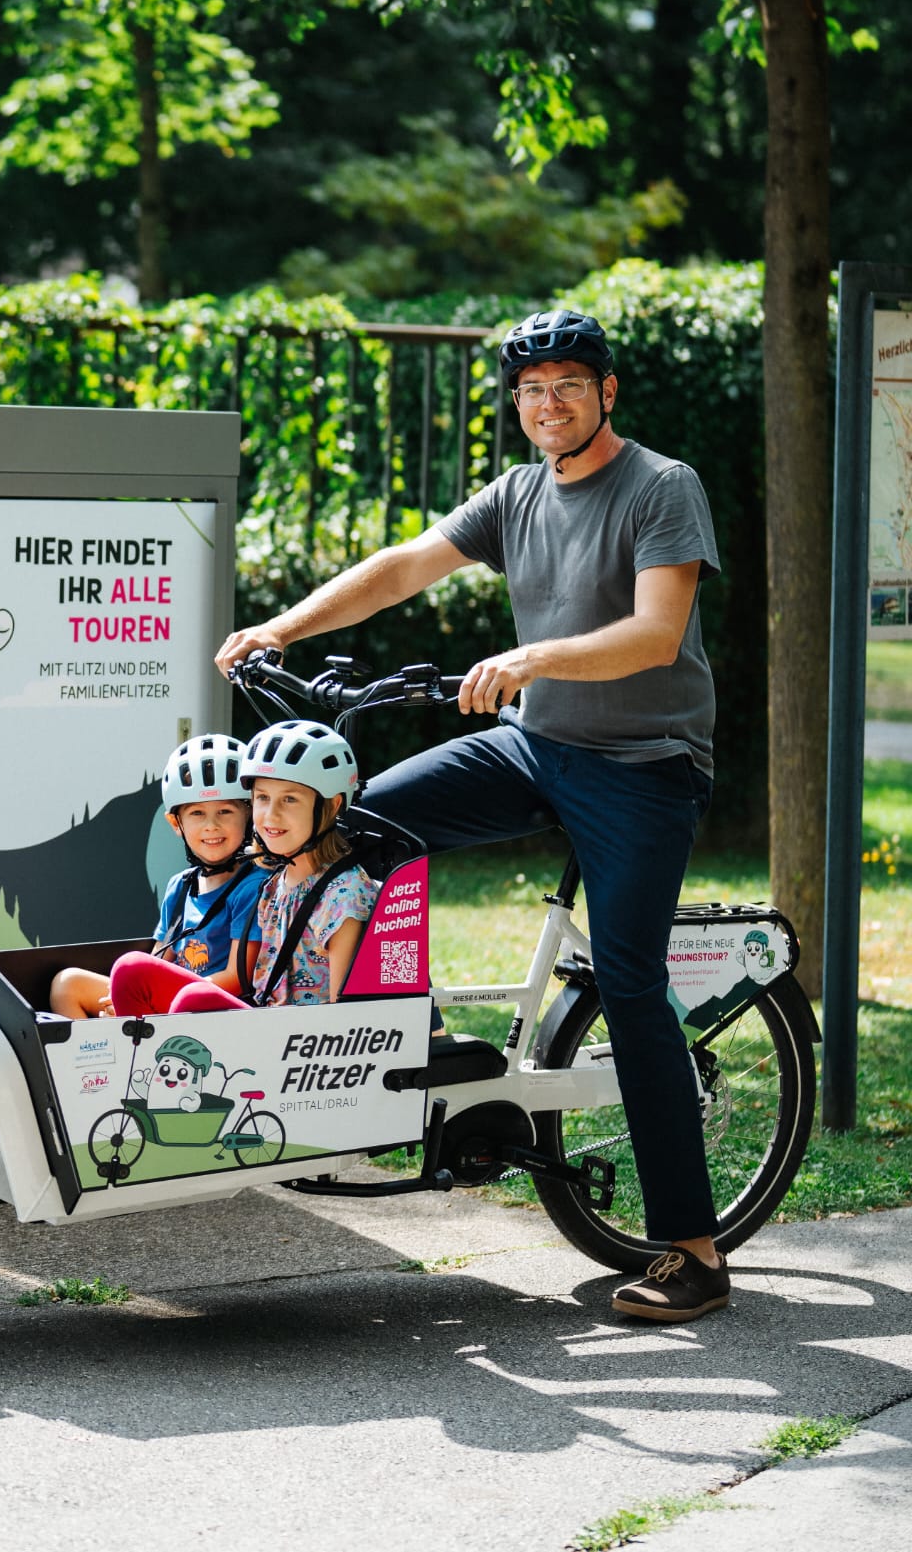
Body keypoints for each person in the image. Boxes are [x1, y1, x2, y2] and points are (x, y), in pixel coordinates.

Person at [215, 307, 729, 1323]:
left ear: (605, 392)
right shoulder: (518, 493)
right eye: (531, 390)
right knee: (352, 830)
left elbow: (653, 634)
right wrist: (278, 624)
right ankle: (419, 1051)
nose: (547, 404)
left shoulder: (660, 487)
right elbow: (407, 565)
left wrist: (530, 658)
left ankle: (692, 1251)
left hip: (640, 765)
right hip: (535, 748)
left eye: (567, 386)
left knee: (627, 988)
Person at [48, 734, 266, 1018]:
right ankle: (107, 1052)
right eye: (197, 813)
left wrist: (152, 1000)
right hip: (169, 1001)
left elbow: (238, 978)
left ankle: (128, 1037)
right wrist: (124, 996)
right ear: (176, 823)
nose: (211, 825)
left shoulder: (253, 886)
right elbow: (161, 959)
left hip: (212, 1007)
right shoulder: (181, 885)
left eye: (225, 811)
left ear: (248, 817)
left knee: (134, 971)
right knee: (67, 984)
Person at [237, 720, 379, 1007]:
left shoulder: (343, 894)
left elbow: (346, 1012)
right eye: (263, 797)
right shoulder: (274, 883)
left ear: (333, 805)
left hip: (311, 1045)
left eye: (289, 799)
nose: (270, 815)